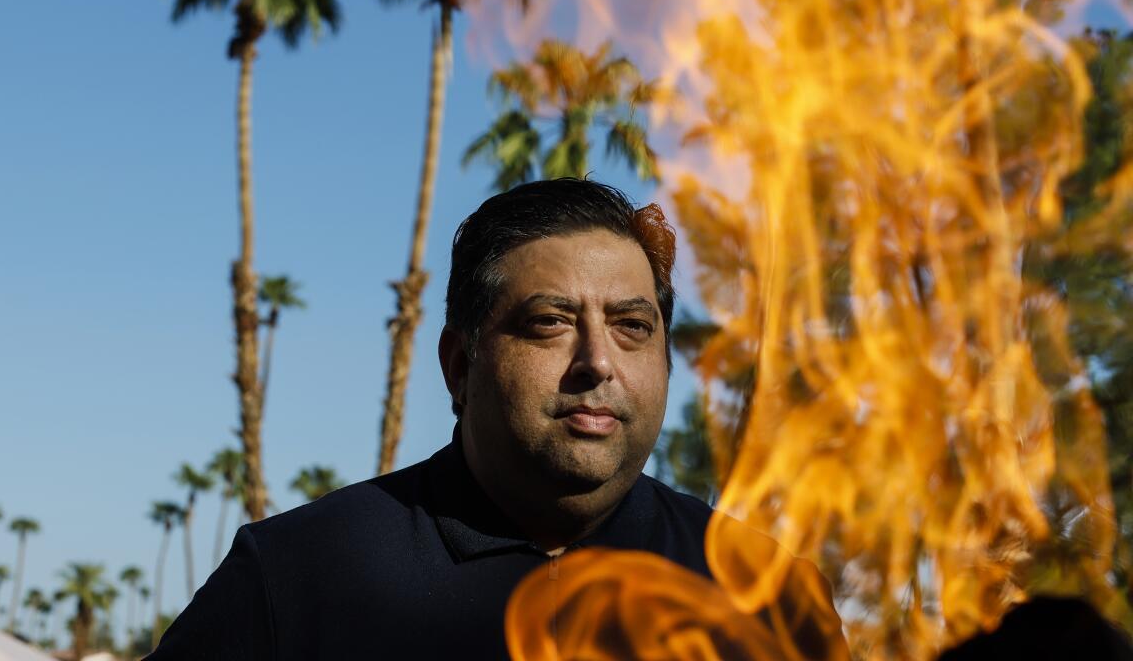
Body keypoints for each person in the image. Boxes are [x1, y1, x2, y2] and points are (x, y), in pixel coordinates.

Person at [148, 178, 846, 659]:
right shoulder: (295, 581)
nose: (597, 362)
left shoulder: (770, 599)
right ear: (459, 363)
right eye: (549, 323)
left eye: (633, 326)